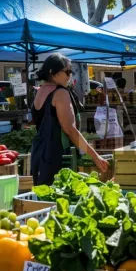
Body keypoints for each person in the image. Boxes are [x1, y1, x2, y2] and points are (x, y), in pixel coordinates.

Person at [31, 54, 108, 185]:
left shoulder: (40, 91)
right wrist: (95, 156)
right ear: (52, 72)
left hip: (40, 155)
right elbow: (70, 130)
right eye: (67, 71)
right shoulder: (60, 93)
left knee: (44, 198)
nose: (70, 75)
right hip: (59, 158)